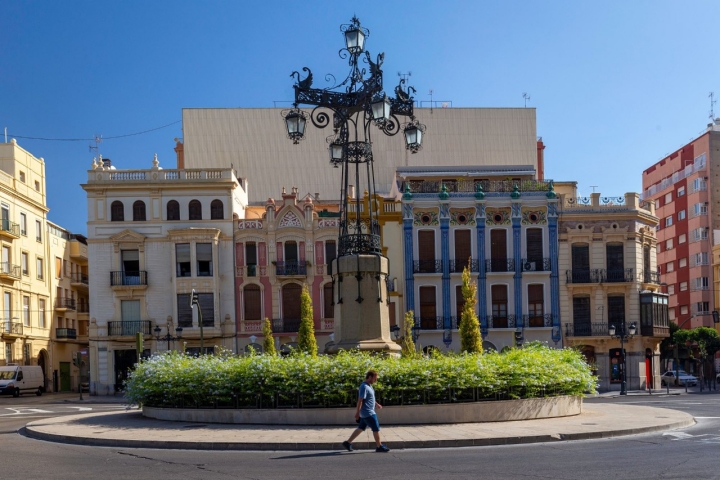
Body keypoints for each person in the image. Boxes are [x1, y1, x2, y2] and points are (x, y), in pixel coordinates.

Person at [342, 369, 390, 453]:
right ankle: (379, 446)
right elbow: (360, 400)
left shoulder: (369, 386)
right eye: (375, 378)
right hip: (368, 412)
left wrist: (376, 404)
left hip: (366, 413)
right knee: (376, 428)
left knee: (361, 428)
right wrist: (357, 413)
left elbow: (370, 398)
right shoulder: (363, 386)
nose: (376, 380)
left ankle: (347, 442)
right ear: (370, 377)